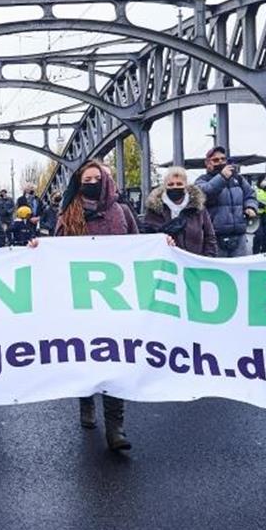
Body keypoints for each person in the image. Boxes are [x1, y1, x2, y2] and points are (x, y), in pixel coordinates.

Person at [47, 160, 139, 451]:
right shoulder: (67, 213)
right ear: (79, 182)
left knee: (114, 358)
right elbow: (56, 251)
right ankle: (86, 402)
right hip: (80, 300)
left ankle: (116, 426)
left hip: (115, 299)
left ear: (106, 180)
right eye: (86, 179)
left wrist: (165, 243)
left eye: (96, 178)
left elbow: (140, 245)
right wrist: (39, 248)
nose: (92, 182)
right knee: (86, 356)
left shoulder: (120, 211)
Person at [194, 147, 257, 257]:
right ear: (207, 163)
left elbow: (250, 195)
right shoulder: (201, 180)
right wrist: (222, 177)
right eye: (216, 160)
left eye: (223, 159)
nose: (220, 162)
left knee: (240, 269)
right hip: (214, 237)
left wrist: (250, 207)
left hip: (239, 236)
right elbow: (205, 193)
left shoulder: (238, 179)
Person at [140, 166, 216, 257]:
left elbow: (210, 237)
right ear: (165, 186)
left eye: (179, 184)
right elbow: (148, 237)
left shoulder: (198, 209)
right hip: (165, 263)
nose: (175, 187)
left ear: (186, 186)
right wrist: (162, 239)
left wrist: (208, 259)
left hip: (194, 263)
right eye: (171, 184)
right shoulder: (154, 209)